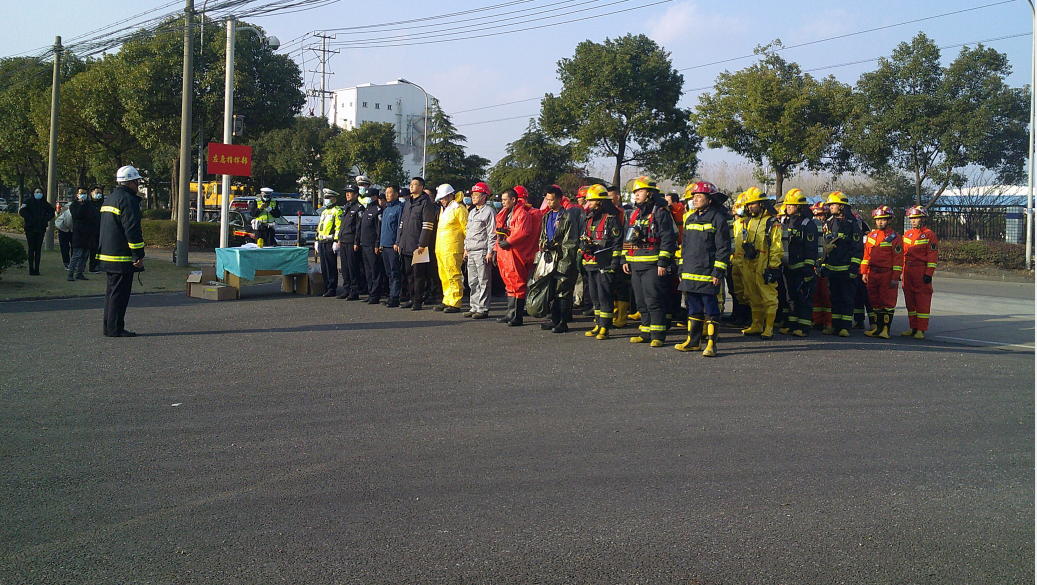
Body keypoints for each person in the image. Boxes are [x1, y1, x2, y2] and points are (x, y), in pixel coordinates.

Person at [674, 181, 731, 357]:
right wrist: (681, 269)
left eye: (699, 196)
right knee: (693, 307)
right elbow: (685, 247)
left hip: (708, 273)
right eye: (694, 197)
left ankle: (712, 344)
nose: (695, 199)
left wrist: (718, 272)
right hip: (690, 271)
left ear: (709, 200)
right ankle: (693, 342)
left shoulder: (718, 219)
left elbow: (723, 248)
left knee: (711, 308)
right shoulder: (690, 218)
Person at [621, 176, 678, 347]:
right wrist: (625, 258)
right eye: (635, 192)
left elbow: (668, 239)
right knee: (641, 301)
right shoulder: (634, 213)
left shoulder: (660, 212)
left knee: (653, 300)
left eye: (640, 191)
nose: (636, 195)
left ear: (650, 193)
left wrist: (662, 262)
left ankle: (658, 335)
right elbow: (627, 237)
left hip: (653, 265)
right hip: (635, 263)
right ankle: (645, 332)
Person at [99, 165, 145, 337]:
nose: (138, 185)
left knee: (111, 294)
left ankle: (109, 327)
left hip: (108, 254)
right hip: (121, 257)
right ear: (131, 182)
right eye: (137, 181)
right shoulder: (128, 200)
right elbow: (132, 230)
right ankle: (115, 329)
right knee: (120, 295)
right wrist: (138, 256)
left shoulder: (110, 198)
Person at [738, 188, 784, 339]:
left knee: (769, 295)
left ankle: (769, 327)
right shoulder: (749, 221)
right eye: (749, 204)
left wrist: (773, 266)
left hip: (765, 263)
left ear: (762, 204)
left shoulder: (771, 222)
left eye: (753, 204)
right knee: (752, 294)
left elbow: (777, 246)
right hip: (749, 262)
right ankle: (756, 325)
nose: (750, 207)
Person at [580, 185, 623, 340]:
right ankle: (598, 323)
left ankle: (605, 327)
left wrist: (614, 264)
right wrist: (584, 246)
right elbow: (583, 237)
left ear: (600, 202)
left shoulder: (611, 219)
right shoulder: (588, 218)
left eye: (591, 200)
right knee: (595, 296)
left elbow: (617, 243)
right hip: (590, 263)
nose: (588, 203)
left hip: (605, 264)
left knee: (605, 296)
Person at [536, 185, 581, 333]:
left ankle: (563, 322)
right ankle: (554, 320)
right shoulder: (547, 216)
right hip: (549, 258)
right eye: (547, 199)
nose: (549, 202)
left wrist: (565, 261)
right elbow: (543, 235)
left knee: (563, 290)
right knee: (551, 289)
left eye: (552, 199)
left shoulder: (567, 216)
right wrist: (543, 246)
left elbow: (571, 242)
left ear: (559, 200)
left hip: (563, 258)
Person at [819, 191, 864, 337]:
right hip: (832, 268)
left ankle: (845, 327)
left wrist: (853, 269)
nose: (830, 207)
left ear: (842, 206)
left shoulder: (853, 224)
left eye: (833, 204)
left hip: (846, 269)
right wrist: (824, 264)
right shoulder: (829, 222)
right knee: (835, 299)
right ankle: (835, 326)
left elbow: (857, 248)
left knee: (847, 299)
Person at [777, 189, 820, 337]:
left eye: (791, 205)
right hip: (788, 267)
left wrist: (809, 269)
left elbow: (811, 248)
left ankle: (804, 327)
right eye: (787, 205)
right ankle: (792, 325)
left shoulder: (808, 225)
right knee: (791, 298)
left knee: (804, 299)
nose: (788, 207)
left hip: (802, 269)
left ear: (800, 207)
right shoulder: (786, 222)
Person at [494, 187, 538, 326]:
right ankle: (510, 313)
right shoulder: (505, 213)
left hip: (515, 252)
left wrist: (508, 242)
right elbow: (500, 232)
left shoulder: (521, 214)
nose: (503, 203)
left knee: (518, 283)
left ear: (513, 199)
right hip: (505, 252)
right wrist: (497, 248)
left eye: (505, 200)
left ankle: (517, 316)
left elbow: (522, 232)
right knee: (509, 282)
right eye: (502, 200)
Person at [860, 205, 904, 339]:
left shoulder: (895, 237)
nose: (880, 222)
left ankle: (885, 329)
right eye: (878, 219)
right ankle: (877, 328)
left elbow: (898, 259)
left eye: (883, 220)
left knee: (887, 302)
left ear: (889, 220)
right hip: (873, 273)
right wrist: (864, 272)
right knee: (874, 301)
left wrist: (895, 277)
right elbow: (866, 256)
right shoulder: (871, 235)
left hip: (887, 274)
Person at [395, 177, 436, 310]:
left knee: (418, 274)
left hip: (419, 246)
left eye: (414, 184)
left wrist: (422, 244)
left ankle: (418, 300)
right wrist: (399, 241)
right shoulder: (408, 203)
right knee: (408, 273)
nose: (411, 186)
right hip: (406, 244)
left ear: (421, 187)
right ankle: (411, 299)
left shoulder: (426, 203)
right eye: (411, 184)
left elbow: (427, 225)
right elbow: (401, 224)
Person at [901, 205, 939, 339]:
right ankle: (913, 327)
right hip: (908, 270)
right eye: (911, 218)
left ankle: (921, 329)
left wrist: (929, 273)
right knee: (909, 300)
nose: (913, 221)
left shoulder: (929, 234)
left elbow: (932, 256)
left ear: (922, 218)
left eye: (916, 218)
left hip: (920, 269)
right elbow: (902, 254)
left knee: (922, 300)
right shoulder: (907, 234)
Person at [463, 182, 496, 319]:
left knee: (484, 280)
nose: (473, 197)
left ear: (484, 196)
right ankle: (474, 306)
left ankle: (482, 308)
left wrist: (490, 251)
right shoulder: (472, 212)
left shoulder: (489, 212)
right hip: (471, 251)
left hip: (482, 250)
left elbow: (492, 233)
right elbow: (468, 231)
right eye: (473, 195)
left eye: (476, 195)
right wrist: (465, 248)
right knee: (472, 281)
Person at [434, 184, 468, 313]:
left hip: (453, 247)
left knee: (453, 274)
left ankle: (455, 301)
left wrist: (466, 247)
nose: (441, 200)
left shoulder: (459, 209)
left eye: (443, 197)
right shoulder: (444, 209)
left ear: (450, 196)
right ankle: (447, 299)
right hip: (441, 248)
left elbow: (466, 228)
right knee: (444, 275)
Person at [607, 185, 633, 328]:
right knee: (611, 286)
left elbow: (628, 237)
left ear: (617, 197)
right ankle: (614, 313)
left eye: (610, 197)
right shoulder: (608, 215)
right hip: (610, 254)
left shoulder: (625, 213)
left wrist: (626, 257)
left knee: (622, 286)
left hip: (622, 253)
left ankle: (622, 317)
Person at [356, 187, 386, 304]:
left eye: (369, 197)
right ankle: (370, 292)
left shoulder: (378, 210)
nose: (367, 199)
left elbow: (378, 229)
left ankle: (375, 294)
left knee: (375, 270)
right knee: (368, 271)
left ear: (375, 197)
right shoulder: (367, 209)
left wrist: (377, 244)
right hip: (364, 244)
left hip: (372, 244)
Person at [379, 185, 405, 307]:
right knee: (389, 273)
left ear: (396, 194)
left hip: (393, 245)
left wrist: (397, 242)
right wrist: (381, 243)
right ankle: (391, 295)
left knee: (395, 272)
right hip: (385, 245)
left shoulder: (399, 208)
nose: (387, 195)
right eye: (386, 193)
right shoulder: (386, 209)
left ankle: (395, 298)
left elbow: (400, 227)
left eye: (390, 193)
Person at [19, 188, 54, 276]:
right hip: (30, 228)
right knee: (31, 248)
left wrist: (45, 219)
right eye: (36, 192)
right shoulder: (28, 202)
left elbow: (51, 212)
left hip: (40, 228)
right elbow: (22, 211)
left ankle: (37, 269)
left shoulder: (45, 203)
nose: (38, 194)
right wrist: (30, 219)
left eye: (40, 192)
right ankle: (31, 269)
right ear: (33, 193)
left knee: (38, 249)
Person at [337, 184, 363, 300]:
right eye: (346, 192)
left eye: (350, 192)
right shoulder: (346, 207)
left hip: (352, 240)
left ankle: (354, 290)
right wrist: (339, 238)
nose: (347, 194)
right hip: (343, 240)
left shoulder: (359, 208)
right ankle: (346, 289)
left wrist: (356, 242)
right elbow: (342, 225)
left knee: (353, 267)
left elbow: (358, 227)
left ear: (356, 194)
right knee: (345, 267)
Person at [315, 189, 343, 297]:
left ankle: (332, 288)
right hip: (322, 241)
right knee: (324, 266)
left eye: (328, 198)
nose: (326, 200)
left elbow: (338, 227)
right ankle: (326, 286)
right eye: (325, 198)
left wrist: (336, 241)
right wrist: (317, 240)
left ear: (333, 199)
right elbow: (319, 227)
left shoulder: (337, 211)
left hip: (330, 241)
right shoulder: (324, 211)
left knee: (331, 265)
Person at [809, 201, 832, 330]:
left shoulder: (829, 227)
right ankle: (817, 320)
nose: (819, 218)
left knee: (827, 296)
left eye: (821, 215)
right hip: (815, 265)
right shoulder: (812, 227)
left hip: (826, 265)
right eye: (816, 215)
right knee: (816, 295)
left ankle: (828, 323)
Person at [68, 188, 97, 281]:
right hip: (78, 233)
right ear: (77, 195)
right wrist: (81, 205)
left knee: (85, 255)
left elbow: (93, 216)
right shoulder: (74, 205)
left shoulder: (89, 204)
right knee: (77, 254)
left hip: (88, 233)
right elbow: (76, 215)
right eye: (81, 193)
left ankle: (80, 273)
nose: (83, 195)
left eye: (85, 193)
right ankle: (71, 273)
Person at [88, 187, 104, 273]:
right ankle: (92, 266)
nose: (99, 195)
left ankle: (98, 265)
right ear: (91, 193)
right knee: (92, 249)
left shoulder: (103, 204)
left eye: (100, 193)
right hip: (90, 230)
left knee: (100, 249)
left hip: (101, 229)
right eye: (97, 192)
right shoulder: (88, 204)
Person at [55, 199, 73, 268]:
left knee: (74, 247)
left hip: (71, 230)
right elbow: (68, 224)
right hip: (63, 228)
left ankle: (73, 262)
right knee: (64, 247)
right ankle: (66, 263)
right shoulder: (69, 213)